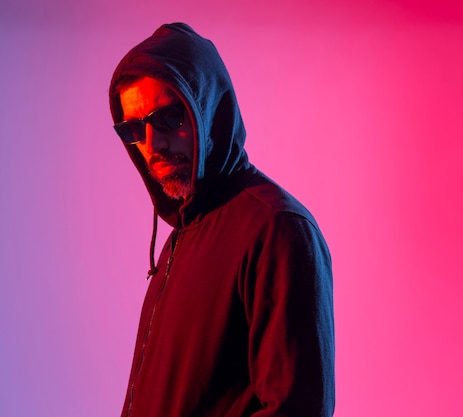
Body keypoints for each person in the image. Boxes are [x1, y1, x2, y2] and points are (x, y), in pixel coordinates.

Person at [108, 23, 335, 417]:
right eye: (134, 129)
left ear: (207, 106)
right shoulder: (183, 235)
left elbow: (297, 409)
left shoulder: (275, 228)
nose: (153, 144)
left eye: (168, 117)